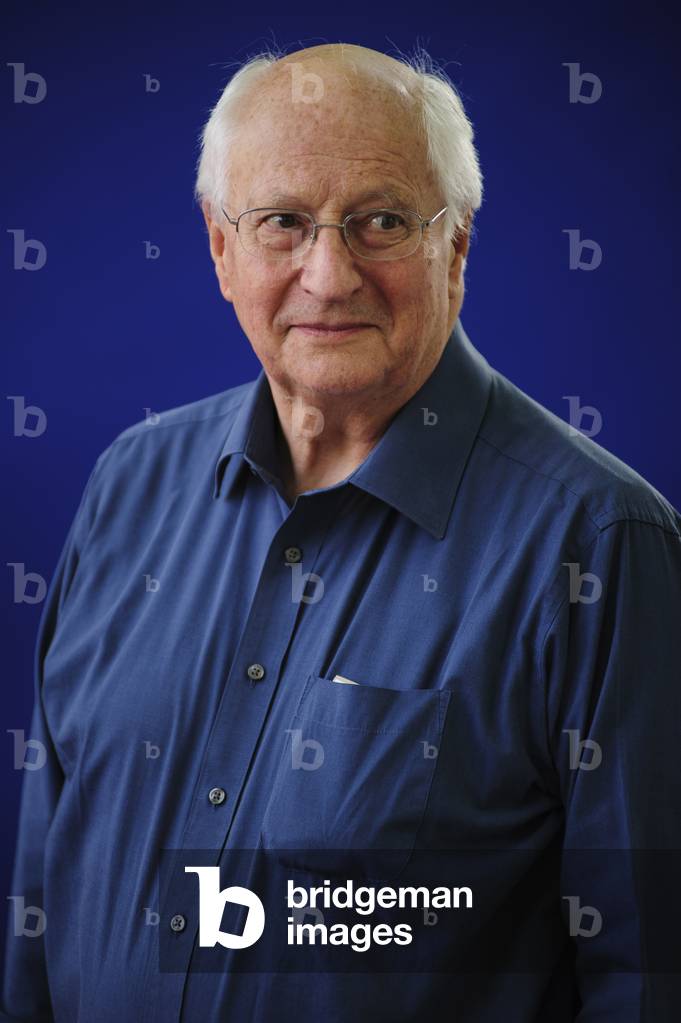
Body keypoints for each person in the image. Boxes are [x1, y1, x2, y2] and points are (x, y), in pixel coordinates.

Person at [3, 41, 680, 1022]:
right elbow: (41, 890)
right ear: (219, 245)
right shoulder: (127, 487)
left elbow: (648, 981)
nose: (329, 275)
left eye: (382, 222)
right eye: (283, 222)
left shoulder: (601, 547)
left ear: (456, 244)